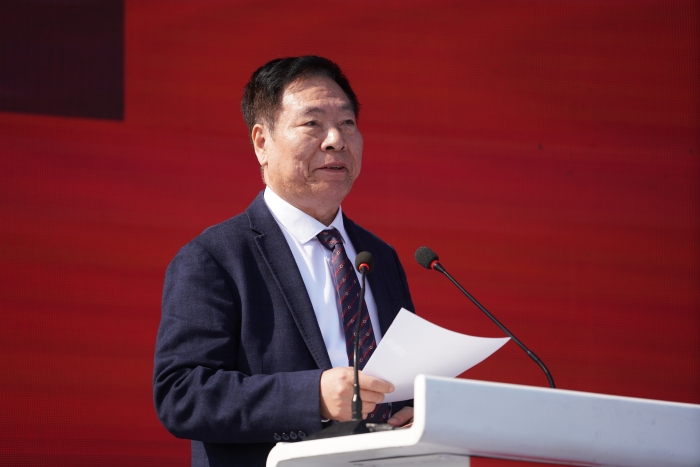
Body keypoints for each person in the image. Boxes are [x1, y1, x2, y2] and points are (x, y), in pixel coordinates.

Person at [153, 56, 415, 467]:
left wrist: (416, 411)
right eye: (313, 123)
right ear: (262, 142)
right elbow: (182, 394)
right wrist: (313, 397)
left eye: (347, 123)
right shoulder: (215, 258)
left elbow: (403, 379)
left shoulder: (378, 257)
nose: (336, 140)